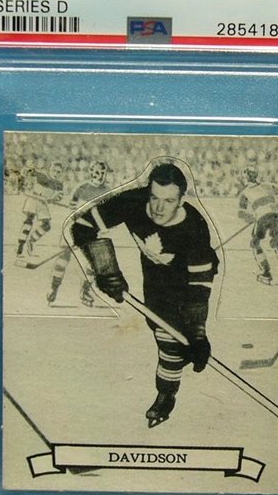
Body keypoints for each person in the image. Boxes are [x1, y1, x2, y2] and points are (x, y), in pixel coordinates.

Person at [69, 161, 218, 427]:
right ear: (147, 192)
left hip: (187, 280)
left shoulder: (195, 227)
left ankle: (166, 394)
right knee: (167, 335)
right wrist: (106, 269)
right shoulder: (133, 201)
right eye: (154, 197)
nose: (159, 208)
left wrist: (197, 332)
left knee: (175, 338)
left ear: (181, 200)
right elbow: (82, 225)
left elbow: (200, 286)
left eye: (169, 201)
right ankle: (172, 374)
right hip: (155, 279)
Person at [47, 160, 110, 306]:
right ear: (91, 172)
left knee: (94, 264)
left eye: (103, 172)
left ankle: (85, 291)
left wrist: (100, 226)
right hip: (73, 228)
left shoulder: (108, 191)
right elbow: (71, 211)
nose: (100, 175)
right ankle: (53, 288)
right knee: (63, 259)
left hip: (91, 232)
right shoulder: (81, 188)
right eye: (97, 172)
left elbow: (107, 216)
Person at [237, 165, 278, 284]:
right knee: (276, 243)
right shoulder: (267, 185)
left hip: (262, 218)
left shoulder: (245, 193)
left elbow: (241, 213)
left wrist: (251, 217)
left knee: (254, 243)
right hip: (276, 216)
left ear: (245, 178)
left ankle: (266, 273)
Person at [15, 161, 63, 266]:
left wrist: (53, 199)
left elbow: (59, 196)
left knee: (47, 225)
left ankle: (31, 241)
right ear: (50, 169)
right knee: (29, 220)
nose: (56, 173)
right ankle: (20, 247)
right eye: (54, 170)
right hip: (34, 199)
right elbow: (26, 171)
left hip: (42, 203)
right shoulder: (41, 175)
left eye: (58, 172)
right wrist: (22, 180)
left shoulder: (59, 184)